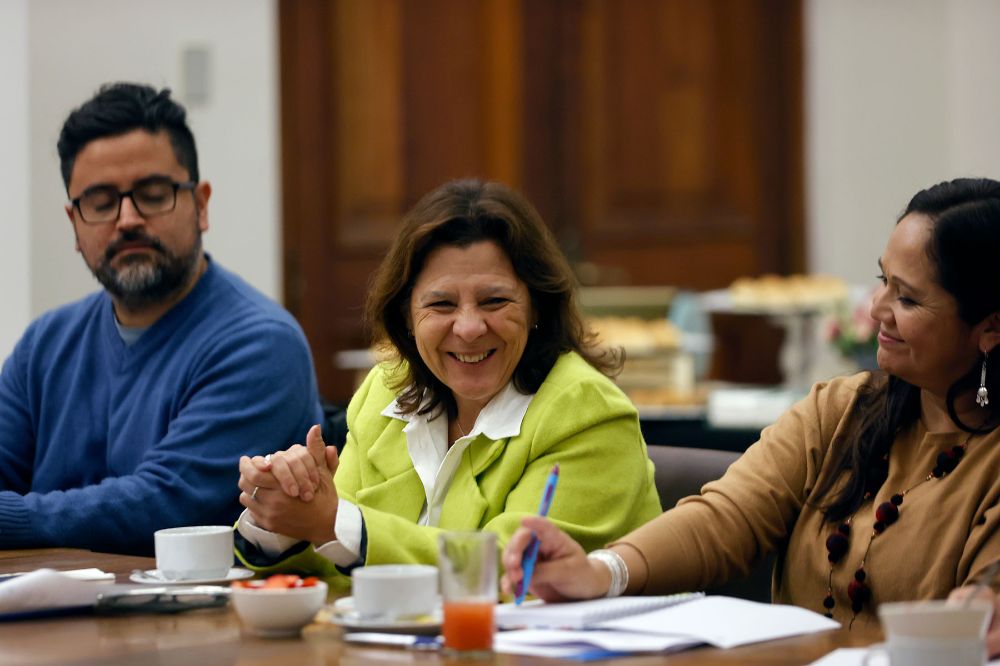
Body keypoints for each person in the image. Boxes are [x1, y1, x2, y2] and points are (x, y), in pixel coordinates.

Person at [501, 177, 1000, 636]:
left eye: (908, 299)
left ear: (991, 328)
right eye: (882, 280)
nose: (875, 309)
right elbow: (726, 517)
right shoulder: (842, 410)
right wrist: (601, 571)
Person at [234, 179, 662, 588]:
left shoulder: (587, 411)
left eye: (495, 301)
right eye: (441, 304)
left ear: (537, 306)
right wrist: (282, 512)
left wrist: (332, 521)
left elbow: (507, 573)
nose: (470, 327)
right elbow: (335, 549)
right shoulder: (384, 393)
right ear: (406, 315)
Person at [0, 83, 322, 555]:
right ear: (74, 224)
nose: (127, 219)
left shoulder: (261, 344)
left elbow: (163, 505)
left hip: (197, 622)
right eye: (101, 202)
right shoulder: (44, 344)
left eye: (152, 194)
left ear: (201, 205)